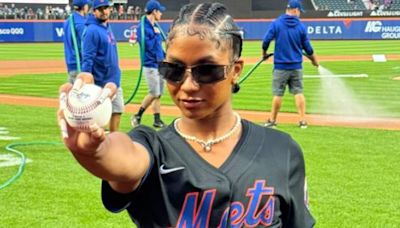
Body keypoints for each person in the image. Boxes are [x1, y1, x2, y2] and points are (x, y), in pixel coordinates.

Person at [58, 2, 315, 227]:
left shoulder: (283, 151)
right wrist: (94, 151)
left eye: (207, 70)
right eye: (174, 69)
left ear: (235, 70)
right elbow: (123, 156)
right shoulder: (153, 147)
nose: (188, 85)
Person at [262, 0, 319, 129]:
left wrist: (264, 53)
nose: (299, 14)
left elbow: (266, 41)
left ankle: (272, 120)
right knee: (298, 92)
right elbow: (308, 49)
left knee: (278, 94)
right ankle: (303, 121)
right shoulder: (300, 27)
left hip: (280, 67)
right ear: (294, 10)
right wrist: (314, 60)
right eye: (299, 11)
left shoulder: (276, 24)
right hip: (296, 66)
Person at [81, 0, 124, 132]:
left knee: (117, 110)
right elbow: (87, 59)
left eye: (106, 8)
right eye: (100, 9)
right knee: (98, 117)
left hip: (114, 80)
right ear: (94, 12)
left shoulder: (107, 26)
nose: (104, 11)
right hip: (100, 82)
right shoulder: (91, 31)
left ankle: (113, 140)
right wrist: (87, 85)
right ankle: (95, 146)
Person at [131, 0, 166, 129]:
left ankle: (157, 120)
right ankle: (137, 115)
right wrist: (157, 36)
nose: (161, 14)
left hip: (160, 63)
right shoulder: (142, 27)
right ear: (154, 11)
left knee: (159, 93)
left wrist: (165, 56)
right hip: (150, 64)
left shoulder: (154, 26)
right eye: (159, 11)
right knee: (154, 92)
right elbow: (149, 47)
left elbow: (157, 47)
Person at [62, 0, 90, 83]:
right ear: (84, 7)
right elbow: (85, 45)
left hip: (70, 62)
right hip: (80, 64)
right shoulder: (81, 23)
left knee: (73, 93)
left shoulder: (68, 21)